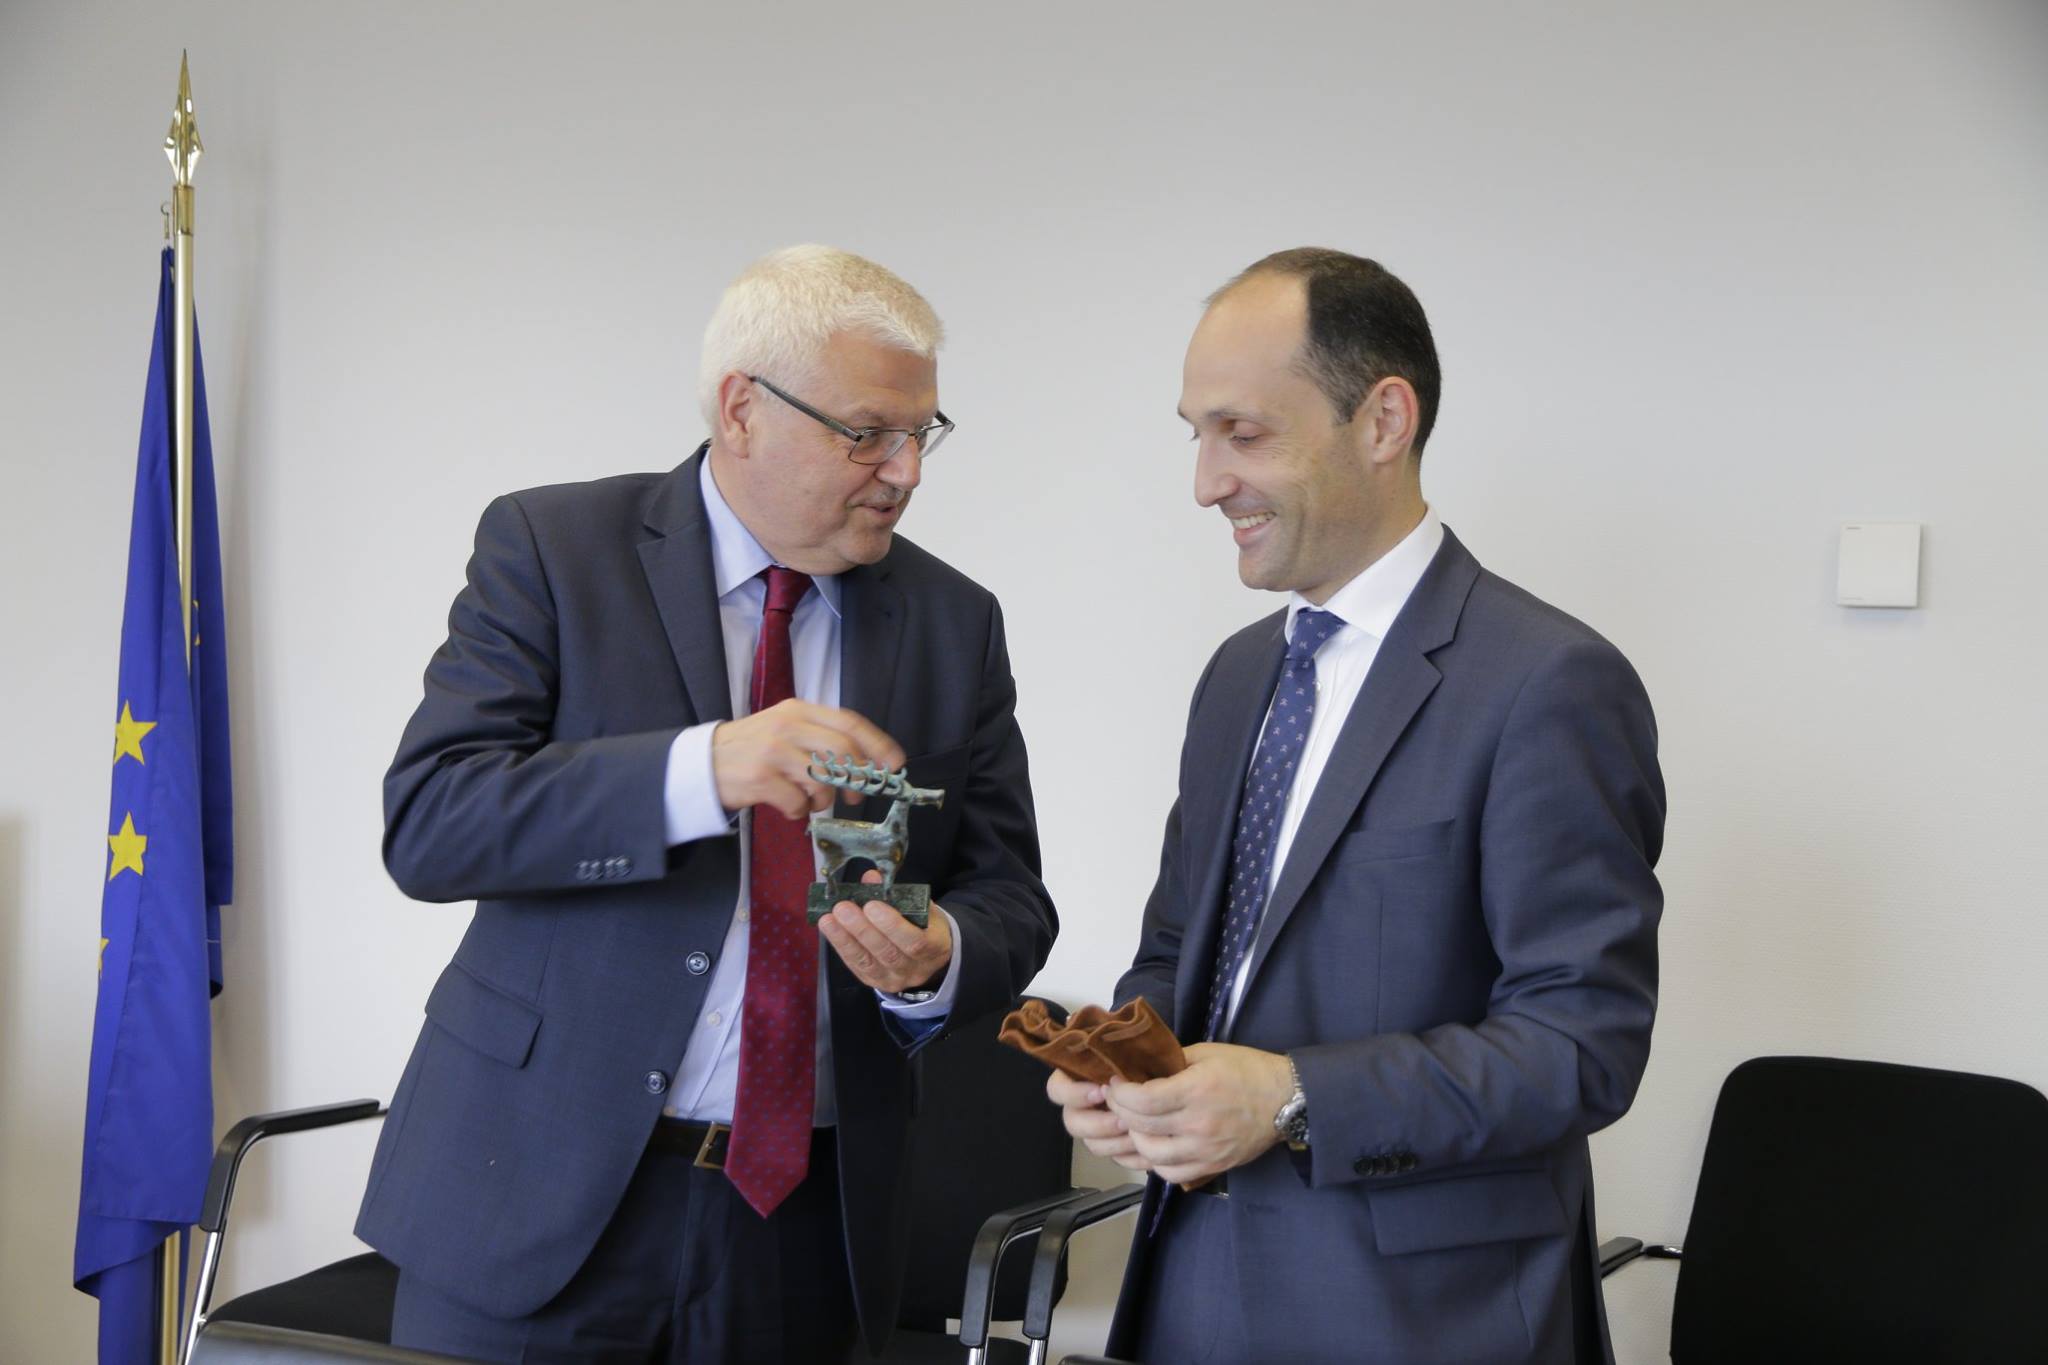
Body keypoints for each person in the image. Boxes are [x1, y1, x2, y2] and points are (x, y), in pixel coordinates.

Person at [357, 245, 1057, 1363]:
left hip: (801, 1231)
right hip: (535, 1197)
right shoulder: (555, 550)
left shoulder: (950, 620)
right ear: (741, 409)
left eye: (921, 432)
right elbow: (434, 822)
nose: (905, 470)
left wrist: (937, 956)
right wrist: (706, 769)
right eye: (867, 432)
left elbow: (1009, 894)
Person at [1048, 248, 1664, 1365]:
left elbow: (1581, 1043)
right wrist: (1128, 1069)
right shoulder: (1238, 675)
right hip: (1190, 1291)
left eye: (1243, 433)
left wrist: (1294, 1097)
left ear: (1383, 421)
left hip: (1423, 1322)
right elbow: (1181, 951)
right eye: (1196, 435)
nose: (1205, 483)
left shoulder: (1548, 682)